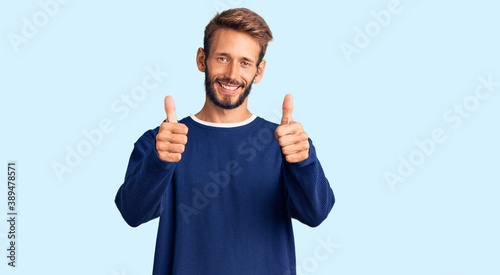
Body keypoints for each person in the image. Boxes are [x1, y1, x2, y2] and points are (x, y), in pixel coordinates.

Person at [115, 8, 335, 275]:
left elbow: (316, 214)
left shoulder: (287, 143)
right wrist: (158, 162)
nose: (232, 73)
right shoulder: (164, 142)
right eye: (222, 58)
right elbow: (132, 213)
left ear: (259, 71)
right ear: (201, 59)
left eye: (245, 62)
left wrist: (304, 163)